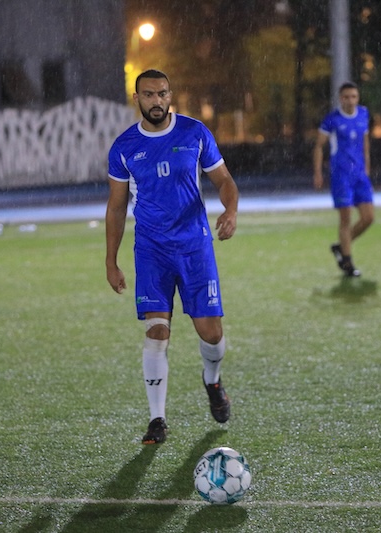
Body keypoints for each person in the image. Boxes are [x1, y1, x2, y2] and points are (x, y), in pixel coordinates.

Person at [105, 69, 239, 445]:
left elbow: (224, 180)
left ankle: (212, 380)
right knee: (156, 333)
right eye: (149, 95)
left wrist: (230, 211)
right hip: (152, 251)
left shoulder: (194, 133)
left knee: (211, 334)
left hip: (195, 248)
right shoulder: (124, 147)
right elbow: (116, 207)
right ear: (137, 99)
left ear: (170, 96)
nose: (157, 101)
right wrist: (111, 261)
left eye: (162, 93)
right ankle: (157, 420)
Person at [312, 81, 375, 277]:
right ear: (340, 99)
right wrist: (318, 172)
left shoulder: (363, 114)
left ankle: (341, 247)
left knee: (368, 218)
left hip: (360, 175)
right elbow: (319, 146)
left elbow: (365, 142)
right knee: (346, 219)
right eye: (346, 97)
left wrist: (367, 166)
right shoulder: (332, 120)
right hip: (341, 176)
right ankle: (347, 262)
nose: (350, 100)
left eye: (353, 96)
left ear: (358, 98)